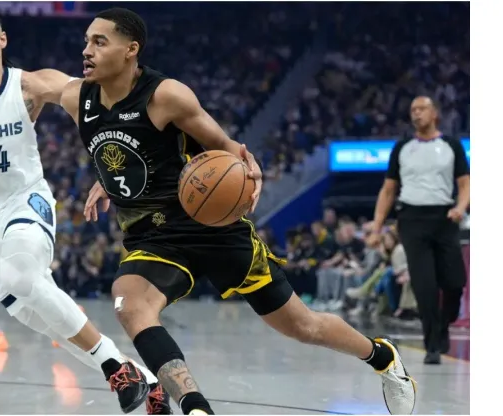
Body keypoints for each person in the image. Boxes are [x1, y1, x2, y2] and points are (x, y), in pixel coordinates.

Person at [58, 8, 417, 415]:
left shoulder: (166, 95)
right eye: (86, 40)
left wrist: (250, 171)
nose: (86, 49)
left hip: (215, 227)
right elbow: (37, 87)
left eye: (99, 41)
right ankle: (196, 407)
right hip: (154, 236)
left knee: (303, 326)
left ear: (131, 50)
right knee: (129, 301)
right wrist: (106, 176)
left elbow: (225, 146)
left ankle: (383, 357)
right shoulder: (80, 97)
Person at [0, 8, 171, 414]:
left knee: (22, 276)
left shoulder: (32, 85)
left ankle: (114, 369)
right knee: (40, 315)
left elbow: (97, 110)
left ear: (1, 41)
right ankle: (143, 377)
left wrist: (113, 167)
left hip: (24, 201)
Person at [371, 96, 469, 365]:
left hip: (445, 217)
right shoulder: (402, 148)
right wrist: (377, 226)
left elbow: (465, 183)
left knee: (454, 283)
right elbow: (388, 189)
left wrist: (461, 206)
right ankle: (432, 344)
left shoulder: (450, 145)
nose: (416, 113)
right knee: (424, 285)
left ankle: (443, 324)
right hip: (412, 219)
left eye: (422, 108)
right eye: (413, 109)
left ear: (434, 113)